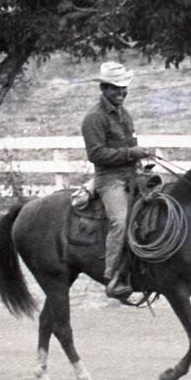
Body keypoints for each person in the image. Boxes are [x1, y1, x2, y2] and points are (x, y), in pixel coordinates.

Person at [81, 61, 150, 301]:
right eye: (115, 88)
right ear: (104, 89)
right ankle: (112, 277)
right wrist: (132, 154)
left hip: (132, 174)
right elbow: (96, 154)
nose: (121, 93)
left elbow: (128, 143)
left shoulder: (124, 113)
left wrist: (139, 154)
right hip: (109, 179)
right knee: (120, 221)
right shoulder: (94, 118)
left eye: (124, 88)